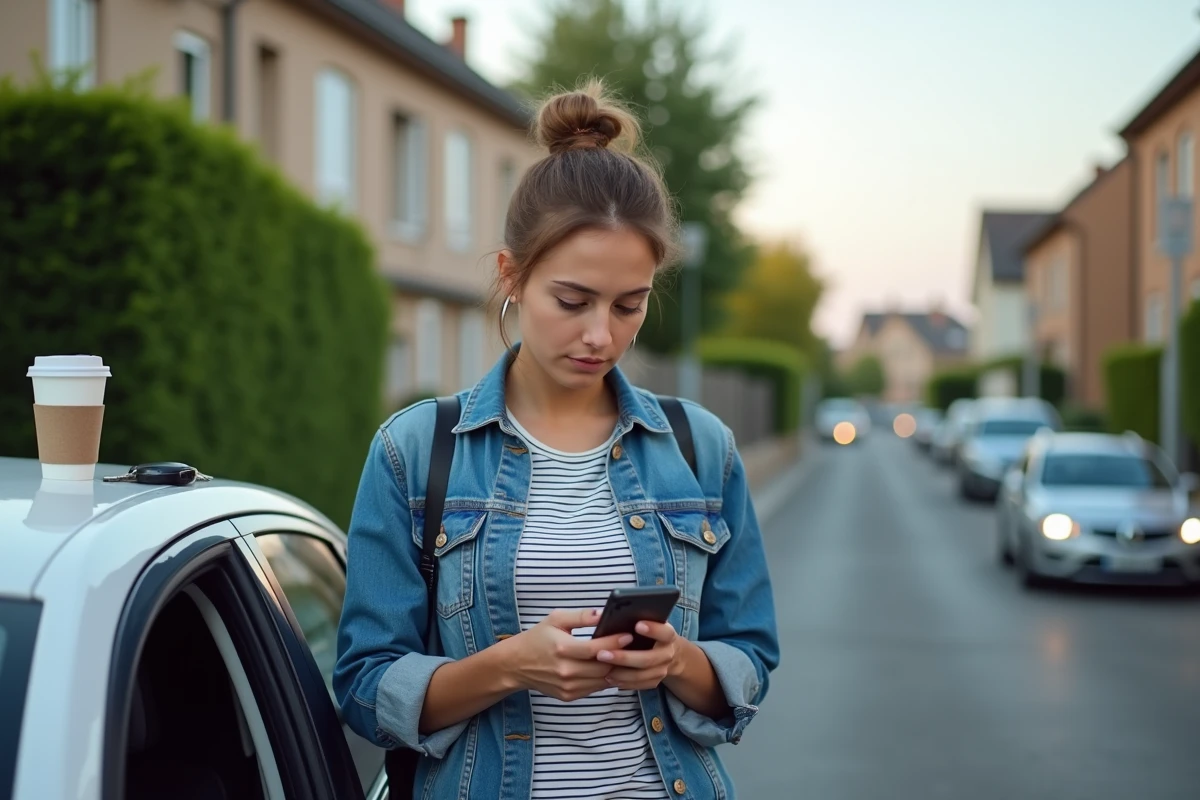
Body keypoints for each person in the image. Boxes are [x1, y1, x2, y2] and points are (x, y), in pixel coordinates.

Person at [334, 79, 779, 800]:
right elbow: (363, 688)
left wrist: (676, 663)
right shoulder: (415, 451)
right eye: (572, 301)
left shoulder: (703, 448)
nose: (602, 334)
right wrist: (507, 667)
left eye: (629, 305)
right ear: (512, 275)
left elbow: (751, 656)